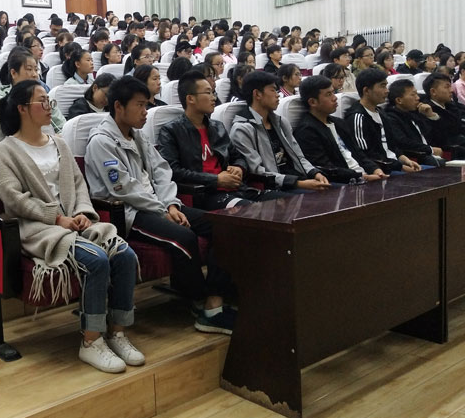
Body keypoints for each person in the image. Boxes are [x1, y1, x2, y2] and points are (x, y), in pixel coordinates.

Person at [0, 79, 143, 372]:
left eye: (49, 100)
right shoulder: (5, 150)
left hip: (73, 221)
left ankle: (117, 333)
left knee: (124, 255)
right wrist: (57, 218)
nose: (49, 106)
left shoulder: (59, 143)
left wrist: (83, 212)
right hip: (39, 227)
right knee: (96, 259)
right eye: (41, 101)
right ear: (22, 108)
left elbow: (78, 184)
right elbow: (13, 199)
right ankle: (91, 341)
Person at [85, 77, 236, 335]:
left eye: (147, 105)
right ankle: (200, 302)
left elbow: (162, 172)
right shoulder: (101, 141)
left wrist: (171, 205)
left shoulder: (138, 136)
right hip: (130, 212)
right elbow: (124, 188)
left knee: (223, 226)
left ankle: (215, 299)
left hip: (160, 205)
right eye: (140, 105)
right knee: (184, 237)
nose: (146, 111)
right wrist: (162, 210)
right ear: (119, 106)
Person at [158, 70, 289, 209]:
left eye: (213, 93)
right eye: (208, 93)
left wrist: (239, 167)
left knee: (288, 201)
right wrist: (216, 180)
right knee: (253, 211)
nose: (214, 98)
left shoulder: (217, 127)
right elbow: (174, 171)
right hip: (207, 194)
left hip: (237, 188)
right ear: (190, 99)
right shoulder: (171, 131)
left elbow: (237, 157)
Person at [230, 72, 331, 192]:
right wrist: (298, 183)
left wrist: (315, 173)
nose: (278, 95)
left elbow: (298, 156)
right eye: (273, 90)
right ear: (257, 94)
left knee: (333, 191)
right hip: (273, 188)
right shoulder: (242, 129)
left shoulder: (281, 122)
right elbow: (257, 171)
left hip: (298, 180)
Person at [293, 76, 388, 183]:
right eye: (328, 94)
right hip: (343, 182)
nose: (334, 98)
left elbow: (359, 153)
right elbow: (325, 168)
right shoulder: (306, 131)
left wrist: (375, 169)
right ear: (312, 102)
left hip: (362, 177)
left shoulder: (339, 123)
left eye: (333, 92)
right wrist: (361, 176)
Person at [344, 68, 422, 173]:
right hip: (381, 170)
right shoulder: (358, 117)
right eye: (382, 86)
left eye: (386, 86)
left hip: (395, 165)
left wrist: (406, 160)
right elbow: (366, 155)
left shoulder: (381, 112)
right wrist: (401, 167)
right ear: (366, 90)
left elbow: (392, 145)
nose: (387, 91)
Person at [0, 48, 66, 133]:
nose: (35, 75)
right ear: (13, 73)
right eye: (29, 69)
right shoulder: (0, 102)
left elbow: (62, 128)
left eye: (36, 70)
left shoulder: (45, 99)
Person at [382, 79, 444, 167]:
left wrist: (431, 116)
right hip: (415, 158)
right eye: (413, 95)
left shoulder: (415, 112)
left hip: (430, 155)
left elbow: (437, 137)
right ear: (399, 100)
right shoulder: (391, 118)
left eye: (417, 94)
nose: (418, 98)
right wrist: (430, 149)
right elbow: (403, 142)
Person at [420, 72, 465, 156]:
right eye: (447, 87)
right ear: (433, 91)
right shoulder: (426, 110)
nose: (451, 90)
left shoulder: (451, 105)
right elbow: (440, 138)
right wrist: (434, 117)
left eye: (450, 86)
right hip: (449, 150)